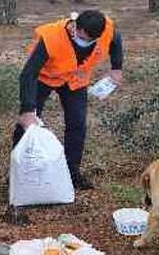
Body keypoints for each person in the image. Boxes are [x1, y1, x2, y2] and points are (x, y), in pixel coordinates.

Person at [14, 10, 123, 190]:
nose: (83, 42)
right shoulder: (51, 37)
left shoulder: (106, 28)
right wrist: (27, 109)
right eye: (80, 36)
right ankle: (18, 172)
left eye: (89, 40)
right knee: (26, 123)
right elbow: (28, 74)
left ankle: (72, 173)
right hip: (44, 77)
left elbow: (115, 39)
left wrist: (117, 67)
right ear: (74, 25)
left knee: (77, 124)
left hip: (75, 80)